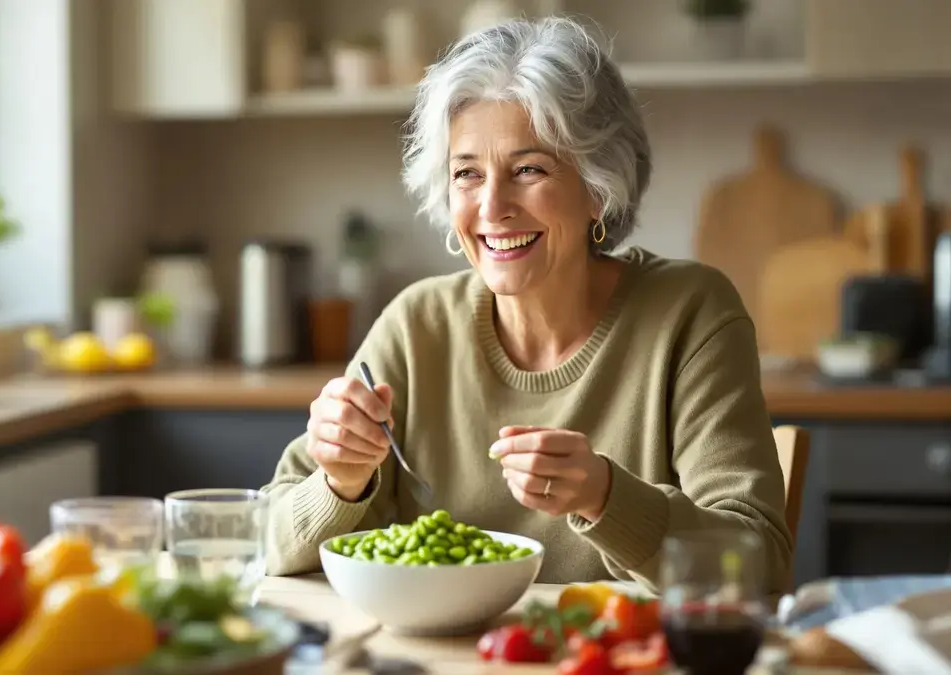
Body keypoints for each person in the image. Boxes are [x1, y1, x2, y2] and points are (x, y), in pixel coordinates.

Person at [261, 17, 792, 594]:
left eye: (528, 170)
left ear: (598, 186)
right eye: (467, 173)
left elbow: (757, 564)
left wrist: (606, 497)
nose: (492, 207)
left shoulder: (691, 315)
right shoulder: (416, 325)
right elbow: (263, 540)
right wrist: (339, 483)